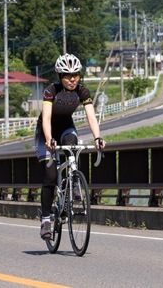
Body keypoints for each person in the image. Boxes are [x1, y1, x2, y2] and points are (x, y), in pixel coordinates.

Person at [34, 53, 106, 240]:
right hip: (46, 132)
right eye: (67, 75)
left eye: (76, 75)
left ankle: (72, 181)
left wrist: (97, 137)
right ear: (60, 77)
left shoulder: (82, 92)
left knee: (73, 145)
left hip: (66, 128)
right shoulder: (51, 91)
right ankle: (46, 220)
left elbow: (91, 117)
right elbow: (47, 118)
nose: (72, 79)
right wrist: (49, 139)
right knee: (50, 175)